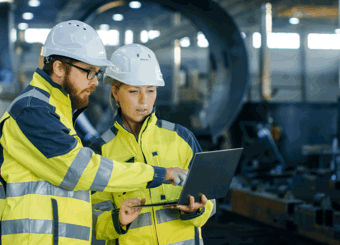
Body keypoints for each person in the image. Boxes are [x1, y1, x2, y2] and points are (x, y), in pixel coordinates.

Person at [0, 20, 187, 245]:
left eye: (97, 74)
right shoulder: (33, 110)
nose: (95, 83)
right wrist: (157, 174)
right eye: (89, 72)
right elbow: (81, 170)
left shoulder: (56, 110)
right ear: (59, 68)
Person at [91, 44, 216, 245]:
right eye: (133, 91)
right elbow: (94, 217)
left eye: (150, 90)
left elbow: (209, 199)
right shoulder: (101, 151)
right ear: (115, 92)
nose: (144, 101)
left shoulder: (181, 138)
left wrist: (198, 209)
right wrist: (118, 220)